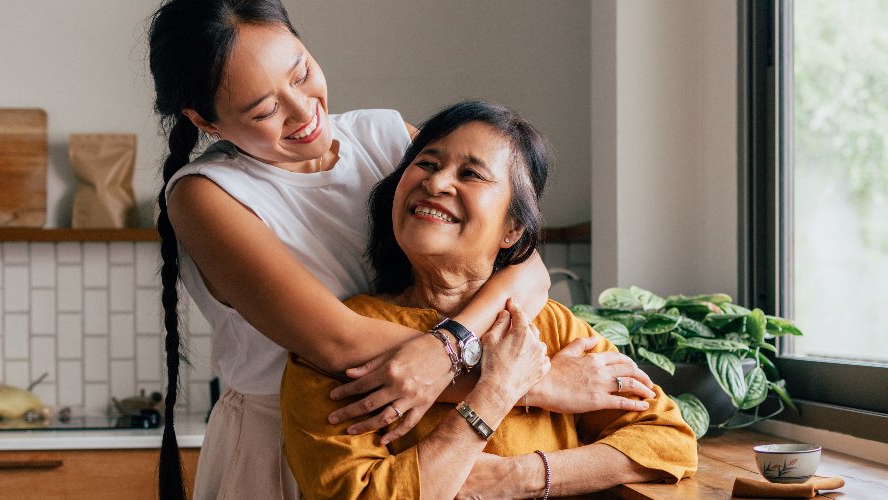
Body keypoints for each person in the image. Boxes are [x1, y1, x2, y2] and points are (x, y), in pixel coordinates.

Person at [145, 1, 657, 498]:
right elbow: (337, 345)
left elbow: (526, 267)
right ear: (206, 120)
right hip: (286, 446)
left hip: (416, 433)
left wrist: (448, 348)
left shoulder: (385, 137)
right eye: (265, 109)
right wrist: (528, 385)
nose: (304, 112)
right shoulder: (204, 195)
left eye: (301, 73)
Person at [281, 100, 698, 499]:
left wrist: (521, 476)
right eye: (426, 163)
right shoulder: (336, 343)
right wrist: (496, 391)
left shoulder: (550, 326)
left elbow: (668, 440)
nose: (437, 182)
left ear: (512, 229)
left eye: (472, 174)